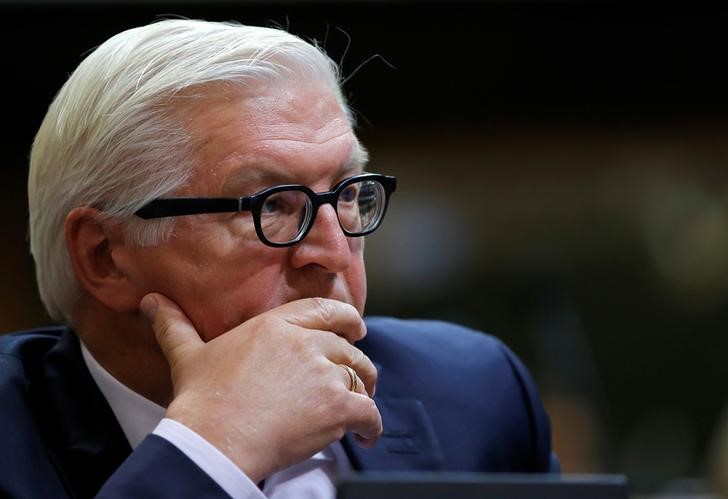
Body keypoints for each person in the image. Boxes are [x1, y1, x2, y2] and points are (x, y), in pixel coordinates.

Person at [0, 19, 557, 499]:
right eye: (272, 207)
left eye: (344, 194)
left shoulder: (472, 392)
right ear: (106, 256)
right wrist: (212, 447)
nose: (333, 252)